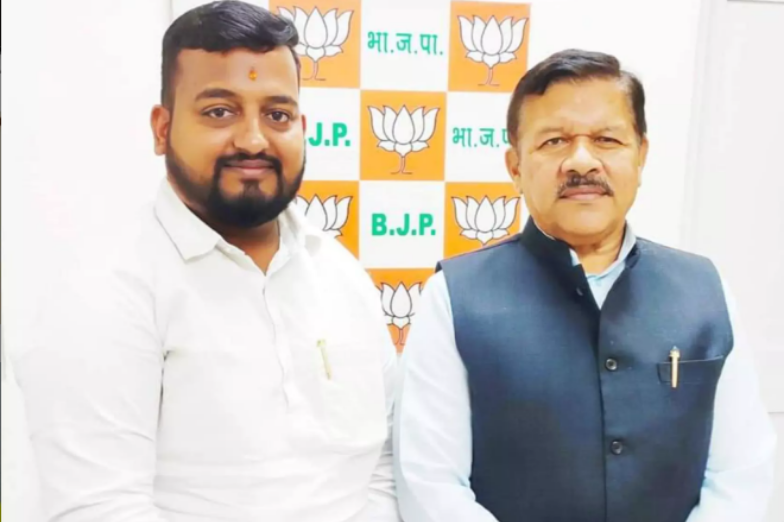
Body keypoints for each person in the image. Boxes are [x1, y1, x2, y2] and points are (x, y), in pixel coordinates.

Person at [15, 2, 400, 521]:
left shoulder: (341, 274)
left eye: (277, 114)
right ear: (162, 128)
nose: (253, 139)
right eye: (220, 111)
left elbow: (382, 468)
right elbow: (100, 507)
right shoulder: (105, 290)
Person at [393, 49, 777, 522]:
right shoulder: (454, 297)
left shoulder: (704, 291)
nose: (581, 160)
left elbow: (740, 475)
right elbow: (429, 483)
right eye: (554, 141)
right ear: (515, 167)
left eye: (606, 139)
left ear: (641, 155)